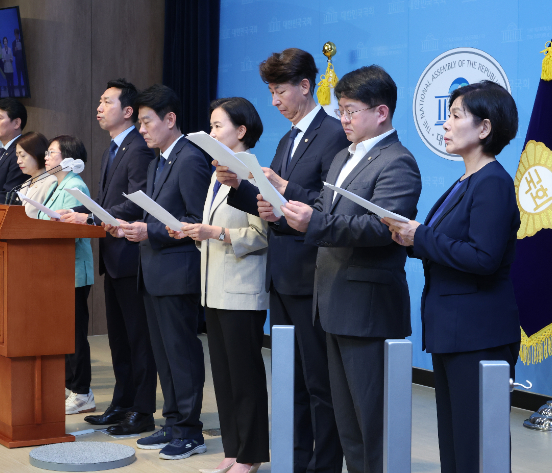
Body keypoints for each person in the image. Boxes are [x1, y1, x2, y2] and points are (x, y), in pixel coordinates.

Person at [279, 65, 422, 473]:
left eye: (350, 110)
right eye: (340, 109)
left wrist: (315, 222)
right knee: (347, 420)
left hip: (368, 307)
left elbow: (382, 228)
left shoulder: (398, 162)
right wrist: (289, 212)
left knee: (372, 419)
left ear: (381, 112)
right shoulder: (343, 155)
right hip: (332, 300)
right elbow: (326, 212)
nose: (342, 119)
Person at [215, 47, 348, 473]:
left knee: (318, 381)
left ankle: (322, 464)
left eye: (280, 91)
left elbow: (332, 208)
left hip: (312, 275)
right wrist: (238, 186)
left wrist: (285, 187)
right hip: (283, 274)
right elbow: (268, 206)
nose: (274, 101)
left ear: (306, 86)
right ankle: (295, 458)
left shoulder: (332, 134)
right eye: (270, 92)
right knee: (290, 379)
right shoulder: (289, 137)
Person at [383, 81, 521, 473]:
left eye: (456, 115)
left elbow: (484, 257)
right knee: (456, 442)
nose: (445, 124)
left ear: (484, 128)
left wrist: (420, 236)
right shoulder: (465, 182)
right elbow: (445, 244)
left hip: (480, 335)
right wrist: (408, 238)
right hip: (456, 331)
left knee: (477, 444)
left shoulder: (493, 182)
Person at [105, 84, 210, 460]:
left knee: (181, 353)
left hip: (177, 273)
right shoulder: (158, 160)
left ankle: (190, 430)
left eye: (148, 121)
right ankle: (172, 421)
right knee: (163, 355)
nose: (143, 129)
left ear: (170, 119)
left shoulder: (190, 159)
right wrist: (133, 227)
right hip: (151, 271)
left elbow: (197, 221)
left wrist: (147, 231)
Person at [169, 97, 268, 473]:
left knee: (245, 377)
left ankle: (252, 455)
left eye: (218, 126)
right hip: (214, 288)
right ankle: (232, 450)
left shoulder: (254, 172)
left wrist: (216, 232)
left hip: (242, 288)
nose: (211, 133)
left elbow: (261, 234)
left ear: (241, 131)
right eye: (210, 126)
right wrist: (196, 233)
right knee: (224, 378)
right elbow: (213, 229)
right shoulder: (217, 172)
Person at [59, 79, 157, 433]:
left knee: (138, 338)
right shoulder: (111, 149)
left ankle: (142, 410)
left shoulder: (139, 148)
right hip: (113, 256)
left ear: (127, 111)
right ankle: (122, 402)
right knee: (118, 338)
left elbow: (136, 199)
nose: (98, 108)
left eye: (106, 102)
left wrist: (91, 216)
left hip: (133, 255)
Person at [37, 135, 96, 414]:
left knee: (74, 334)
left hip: (72, 269)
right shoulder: (55, 185)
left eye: (51, 153)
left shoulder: (75, 185)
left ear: (69, 159)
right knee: (61, 332)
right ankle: (69, 386)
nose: (46, 157)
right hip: (55, 269)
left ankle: (83, 392)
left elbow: (74, 226)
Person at [15, 131, 56, 218]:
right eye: (17, 156)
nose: (18, 161)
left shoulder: (51, 182)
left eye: (22, 156)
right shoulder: (26, 183)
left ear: (37, 154)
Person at [12, 29, 27, 96]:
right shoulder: (13, 43)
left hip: (22, 63)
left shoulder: (21, 41)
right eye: (15, 34)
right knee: (19, 79)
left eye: (17, 34)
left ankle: (26, 92)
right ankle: (20, 93)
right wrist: (15, 50)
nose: (16, 36)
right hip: (17, 63)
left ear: (19, 35)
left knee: (24, 78)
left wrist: (21, 49)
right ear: (14, 35)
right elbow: (14, 54)